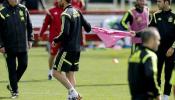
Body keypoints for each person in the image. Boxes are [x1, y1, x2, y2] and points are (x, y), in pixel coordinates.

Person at [52, 0, 91, 99]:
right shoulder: (77, 11)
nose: (58, 1)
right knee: (70, 74)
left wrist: (56, 40)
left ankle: (74, 93)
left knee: (55, 72)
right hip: (77, 49)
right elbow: (88, 28)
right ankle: (72, 97)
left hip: (67, 49)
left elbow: (65, 33)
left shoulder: (65, 14)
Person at [0, 0, 33, 98]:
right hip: (8, 47)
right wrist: (1, 45)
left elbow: (29, 26)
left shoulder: (23, 9)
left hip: (22, 45)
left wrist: (30, 39)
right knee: (12, 69)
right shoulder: (2, 12)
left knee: (24, 65)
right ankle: (15, 91)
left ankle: (11, 84)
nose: (16, 0)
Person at [149, 0, 175, 99]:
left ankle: (166, 98)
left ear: (167, 2)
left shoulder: (174, 16)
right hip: (157, 50)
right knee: (156, 75)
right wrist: (136, 33)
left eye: (159, 1)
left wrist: (172, 48)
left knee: (169, 76)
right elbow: (149, 31)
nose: (157, 3)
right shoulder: (155, 16)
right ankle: (157, 97)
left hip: (171, 51)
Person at [128, 27, 161, 100]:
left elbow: (130, 77)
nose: (159, 43)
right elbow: (150, 76)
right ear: (152, 40)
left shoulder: (134, 54)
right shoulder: (150, 55)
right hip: (147, 97)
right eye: (158, 40)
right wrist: (157, 94)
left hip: (134, 96)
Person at [39, 0, 63, 80]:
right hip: (54, 38)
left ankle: (60, 72)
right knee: (52, 55)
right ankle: (50, 71)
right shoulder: (51, 11)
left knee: (64, 55)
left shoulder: (67, 10)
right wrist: (41, 33)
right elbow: (45, 24)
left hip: (65, 38)